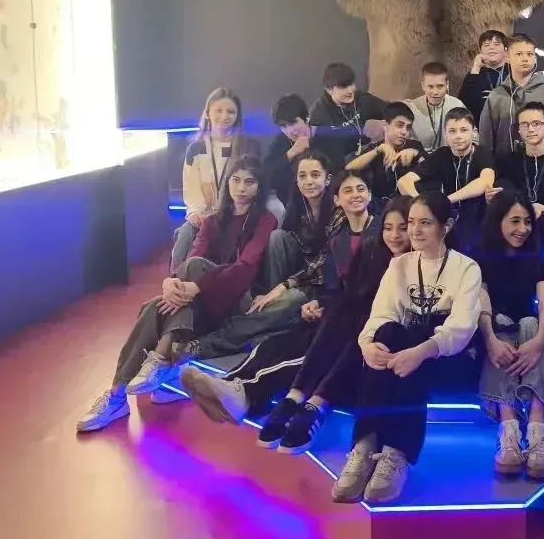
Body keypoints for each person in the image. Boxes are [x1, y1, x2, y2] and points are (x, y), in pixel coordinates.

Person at [180, 197, 415, 454]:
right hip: (339, 319)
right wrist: (320, 304)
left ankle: (247, 391)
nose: (394, 235)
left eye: (403, 228)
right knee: (279, 342)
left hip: (369, 336)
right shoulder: (365, 247)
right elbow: (345, 290)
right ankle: (232, 383)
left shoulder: (416, 264)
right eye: (389, 228)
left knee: (307, 353)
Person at [77, 155, 276, 433]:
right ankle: (117, 395)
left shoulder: (265, 220)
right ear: (227, 183)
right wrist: (170, 284)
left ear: (259, 186)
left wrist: (196, 285)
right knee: (155, 306)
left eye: (249, 182)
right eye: (236, 180)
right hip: (202, 304)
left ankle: (161, 357)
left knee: (192, 270)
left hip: (238, 302)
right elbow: (191, 258)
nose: (242, 188)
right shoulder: (212, 221)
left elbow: (245, 269)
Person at [331, 192, 483, 504]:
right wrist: (367, 345)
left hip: (446, 356)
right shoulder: (399, 265)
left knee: (411, 335)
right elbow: (381, 314)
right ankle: (364, 446)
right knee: (388, 332)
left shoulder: (466, 268)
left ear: (445, 226)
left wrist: (422, 350)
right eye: (411, 222)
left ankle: (396, 453)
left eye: (425, 223)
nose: (414, 230)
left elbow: (462, 327)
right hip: (401, 354)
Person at [187, 167, 379, 360]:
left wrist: (295, 291)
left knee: (288, 303)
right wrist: (286, 289)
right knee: (277, 246)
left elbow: (323, 268)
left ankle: (216, 341)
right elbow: (325, 270)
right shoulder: (302, 212)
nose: (309, 181)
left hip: (332, 294)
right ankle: (262, 326)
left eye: (315, 175)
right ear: (337, 199)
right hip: (309, 282)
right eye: (303, 176)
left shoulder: (369, 228)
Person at [476, 193, 544, 478]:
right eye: (514, 221)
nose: (522, 228)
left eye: (527, 221)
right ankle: (508, 425)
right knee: (501, 326)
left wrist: (540, 342)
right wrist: (490, 340)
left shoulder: (536, 255)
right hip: (491, 330)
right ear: (498, 221)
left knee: (530, 324)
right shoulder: (480, 255)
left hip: (527, 330)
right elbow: (483, 307)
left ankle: (537, 426)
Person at [172, 88, 260, 268]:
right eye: (218, 110)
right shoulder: (196, 148)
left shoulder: (249, 146)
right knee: (184, 232)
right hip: (205, 216)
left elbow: (255, 183)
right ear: (207, 113)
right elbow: (191, 187)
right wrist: (195, 212)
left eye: (231, 112)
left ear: (238, 115)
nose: (224, 116)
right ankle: (174, 279)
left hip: (237, 214)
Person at [398, 107, 496, 251]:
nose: (458, 136)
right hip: (448, 219)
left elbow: (484, 182)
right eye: (452, 131)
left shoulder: (483, 154)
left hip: (478, 219)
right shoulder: (441, 154)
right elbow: (403, 182)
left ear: (474, 132)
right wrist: (420, 202)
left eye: (464, 130)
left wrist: (445, 201)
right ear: (445, 134)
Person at [479, 33, 544, 158]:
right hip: (505, 167)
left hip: (541, 166)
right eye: (519, 54)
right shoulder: (496, 97)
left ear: (535, 58)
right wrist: (488, 165)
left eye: (529, 54)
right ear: (507, 56)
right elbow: (486, 142)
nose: (525, 59)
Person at [492, 101, 544, 243]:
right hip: (514, 236)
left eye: (536, 123)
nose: (530, 129)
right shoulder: (506, 162)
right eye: (525, 124)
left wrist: (543, 209)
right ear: (519, 130)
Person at [308, 62, 387, 171]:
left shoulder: (361, 99)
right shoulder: (319, 114)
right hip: (340, 166)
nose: (350, 90)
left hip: (364, 153)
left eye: (351, 84)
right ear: (329, 89)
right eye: (344, 86)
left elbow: (391, 111)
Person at [345, 101, 423, 203]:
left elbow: (434, 169)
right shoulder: (374, 149)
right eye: (399, 126)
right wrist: (377, 151)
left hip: (411, 204)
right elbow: (348, 169)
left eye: (408, 127)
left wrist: (417, 156)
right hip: (381, 206)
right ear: (385, 125)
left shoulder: (415, 146)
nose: (404, 132)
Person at [262, 93, 313, 222]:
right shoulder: (280, 142)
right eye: (284, 126)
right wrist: (290, 154)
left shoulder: (322, 136)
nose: (290, 130)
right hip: (294, 212)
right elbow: (267, 175)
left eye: (293, 122)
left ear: (306, 118)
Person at [405, 61, 467, 153]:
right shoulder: (412, 108)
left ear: (447, 85)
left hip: (452, 158)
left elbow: (473, 136)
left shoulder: (457, 105)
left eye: (440, 86)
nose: (435, 92)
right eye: (430, 86)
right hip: (419, 159)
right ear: (423, 86)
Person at [458, 29, 509, 120]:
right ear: (481, 51)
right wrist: (475, 67)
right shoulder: (474, 74)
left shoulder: (514, 73)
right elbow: (464, 105)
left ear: (505, 50)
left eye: (496, 44)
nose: (491, 47)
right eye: (486, 45)